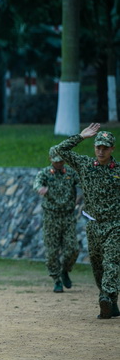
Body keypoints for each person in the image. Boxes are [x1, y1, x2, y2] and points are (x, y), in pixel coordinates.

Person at [53, 123, 120, 319]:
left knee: (112, 262)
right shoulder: (85, 165)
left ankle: (106, 296)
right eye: (98, 147)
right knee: (97, 266)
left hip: (115, 225)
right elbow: (60, 150)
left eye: (105, 148)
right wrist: (81, 137)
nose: (100, 151)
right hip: (93, 225)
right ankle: (111, 303)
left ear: (112, 149)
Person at [33, 146, 81, 293]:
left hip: (68, 216)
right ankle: (57, 280)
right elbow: (37, 183)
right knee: (52, 252)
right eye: (56, 161)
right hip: (51, 217)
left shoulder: (71, 173)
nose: (59, 164)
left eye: (61, 161)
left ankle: (65, 270)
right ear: (50, 160)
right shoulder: (45, 173)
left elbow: (83, 184)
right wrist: (40, 189)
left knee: (73, 249)